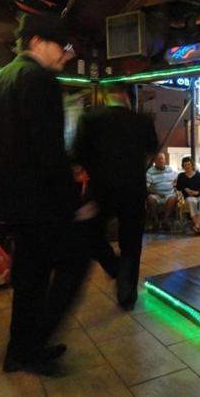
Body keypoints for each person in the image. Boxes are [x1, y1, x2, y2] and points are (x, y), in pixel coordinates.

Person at [0, 13, 94, 374]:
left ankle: (19, 351)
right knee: (75, 260)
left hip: (12, 202)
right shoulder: (40, 80)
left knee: (30, 276)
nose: (65, 54)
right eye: (60, 46)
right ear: (36, 41)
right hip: (42, 201)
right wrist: (73, 203)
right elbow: (48, 150)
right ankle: (32, 344)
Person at [73, 84, 158, 310]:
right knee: (131, 242)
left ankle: (113, 266)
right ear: (127, 97)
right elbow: (151, 149)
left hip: (100, 189)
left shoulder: (90, 120)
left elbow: (78, 155)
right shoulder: (142, 121)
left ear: (105, 97)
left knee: (89, 233)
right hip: (133, 189)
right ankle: (126, 295)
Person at [176, 156, 200, 234]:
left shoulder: (199, 175)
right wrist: (185, 189)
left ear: (192, 165)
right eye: (185, 165)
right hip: (188, 197)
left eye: (189, 164)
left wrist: (197, 193)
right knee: (192, 201)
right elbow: (178, 187)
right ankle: (198, 226)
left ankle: (197, 225)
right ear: (183, 166)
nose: (187, 166)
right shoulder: (181, 176)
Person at [146, 153, 178, 231]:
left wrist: (175, 185)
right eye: (158, 159)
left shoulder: (170, 169)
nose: (161, 161)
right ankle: (155, 220)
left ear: (164, 160)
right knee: (150, 198)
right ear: (155, 161)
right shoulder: (150, 172)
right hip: (156, 194)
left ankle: (165, 220)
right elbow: (146, 187)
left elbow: (177, 178)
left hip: (169, 194)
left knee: (173, 197)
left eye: (162, 159)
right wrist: (157, 193)